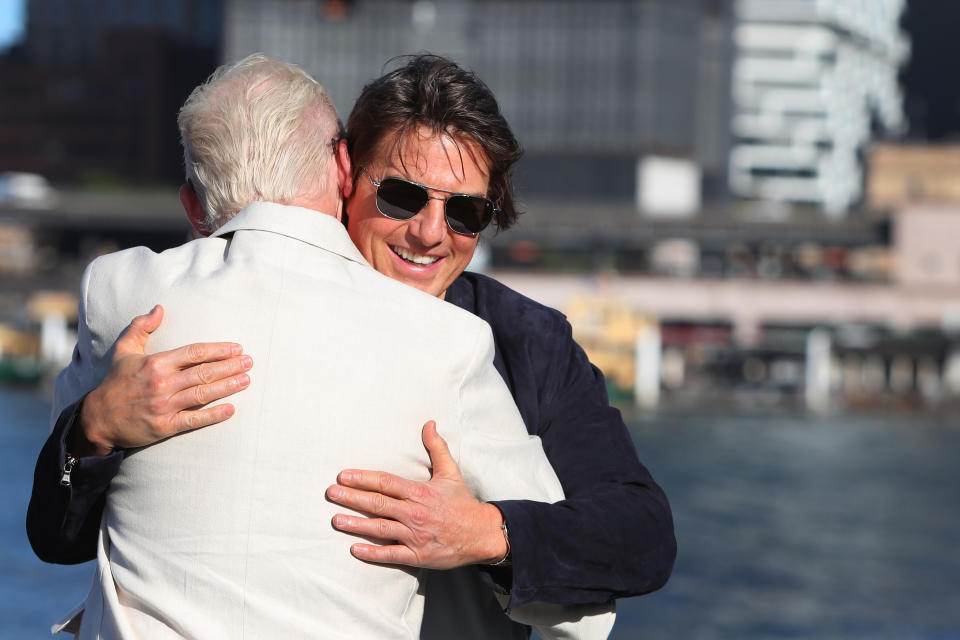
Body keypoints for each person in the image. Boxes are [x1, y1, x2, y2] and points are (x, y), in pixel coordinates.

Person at [29, 54, 675, 638]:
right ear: (345, 177)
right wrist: (91, 431)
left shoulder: (521, 340)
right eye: (400, 196)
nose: (429, 232)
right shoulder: (193, 313)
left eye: (465, 213)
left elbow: (639, 534)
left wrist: (488, 534)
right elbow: (61, 537)